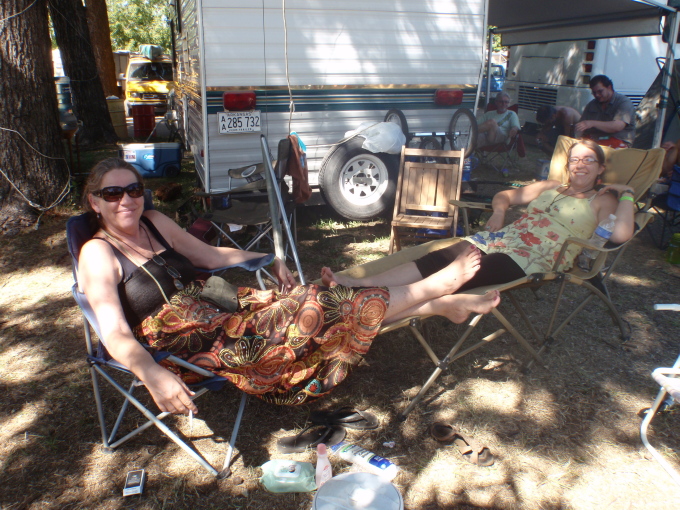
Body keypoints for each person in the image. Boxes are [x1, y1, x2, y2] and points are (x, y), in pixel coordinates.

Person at [77, 158, 501, 415]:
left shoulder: (153, 221)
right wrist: (151, 372)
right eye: (112, 193)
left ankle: (438, 304)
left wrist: (264, 257)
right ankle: (435, 291)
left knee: (315, 299)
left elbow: (208, 256)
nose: (126, 200)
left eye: (133, 189)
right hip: (192, 343)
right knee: (326, 309)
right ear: (94, 202)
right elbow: (114, 333)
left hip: (226, 311)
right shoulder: (98, 253)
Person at [322, 139, 636, 293]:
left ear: (600, 168)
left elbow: (621, 234)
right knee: (436, 258)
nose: (580, 165)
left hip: (534, 259)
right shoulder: (552, 186)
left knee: (458, 274)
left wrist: (627, 194)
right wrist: (499, 212)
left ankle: (375, 300)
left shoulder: (602, 200)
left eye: (589, 160)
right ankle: (360, 284)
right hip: (500, 238)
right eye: (575, 159)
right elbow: (506, 196)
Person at [574, 75, 635, 148]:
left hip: (618, 141)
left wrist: (592, 123)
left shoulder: (623, 102)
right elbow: (580, 127)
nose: (597, 95)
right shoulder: (592, 104)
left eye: (600, 91)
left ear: (609, 87)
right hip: (595, 140)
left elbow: (617, 126)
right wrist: (577, 139)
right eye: (594, 93)